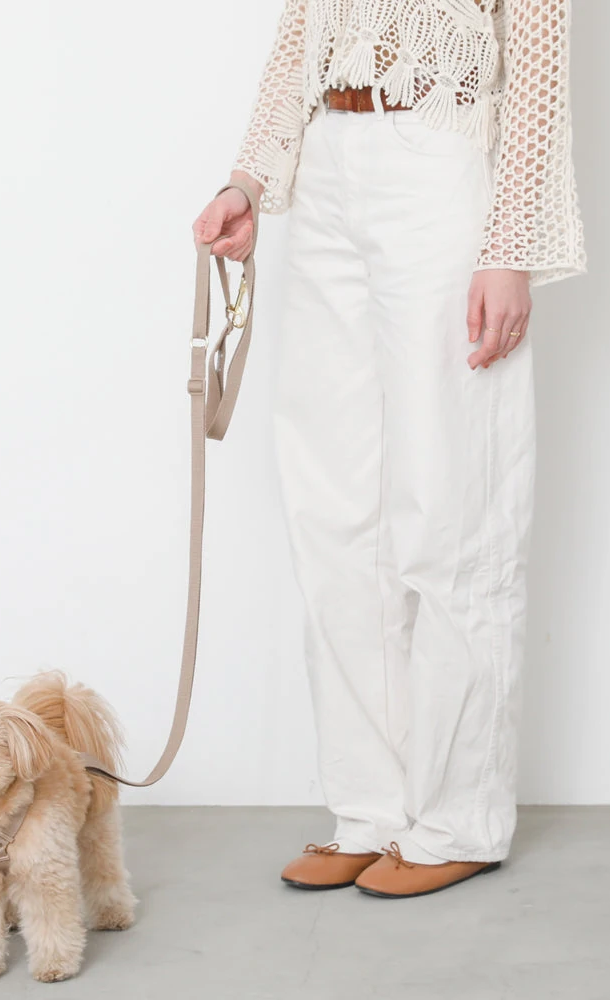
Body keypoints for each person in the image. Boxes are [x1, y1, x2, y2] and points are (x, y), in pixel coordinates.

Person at [193, 0, 584, 899]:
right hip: (329, 161)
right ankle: (369, 811)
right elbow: (303, 30)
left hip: (440, 165)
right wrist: (248, 180)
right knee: (334, 506)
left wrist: (510, 248)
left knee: (453, 503)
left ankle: (459, 820)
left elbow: (537, 69)